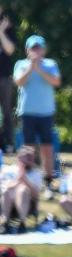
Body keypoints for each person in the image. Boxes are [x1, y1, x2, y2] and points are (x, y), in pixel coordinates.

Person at [13, 34, 61, 199]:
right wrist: (31, 68)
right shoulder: (21, 64)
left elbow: (56, 82)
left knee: (48, 148)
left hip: (46, 112)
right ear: (27, 50)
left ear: (44, 49)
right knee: (28, 149)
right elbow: (18, 82)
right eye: (33, 48)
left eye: (38, 48)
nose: (36, 51)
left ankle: (48, 180)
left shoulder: (50, 65)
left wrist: (39, 69)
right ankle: (28, 178)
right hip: (27, 112)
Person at [0, 146, 41, 233]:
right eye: (27, 156)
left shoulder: (36, 173)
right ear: (19, 157)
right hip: (7, 200)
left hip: (28, 203)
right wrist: (19, 179)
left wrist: (25, 180)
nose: (31, 159)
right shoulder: (7, 170)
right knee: (7, 191)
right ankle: (5, 223)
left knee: (22, 190)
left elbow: (36, 195)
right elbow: (4, 187)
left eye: (32, 157)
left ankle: (22, 223)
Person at [0, 9, 16, 152]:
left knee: (6, 111)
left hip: (4, 76)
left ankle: (8, 144)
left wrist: (1, 32)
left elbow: (10, 49)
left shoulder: (8, 26)